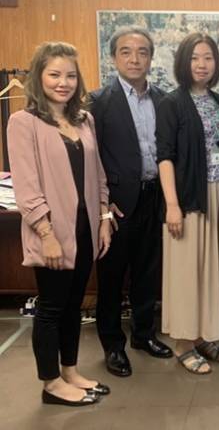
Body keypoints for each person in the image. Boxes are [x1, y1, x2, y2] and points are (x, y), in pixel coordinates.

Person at [7, 42, 112, 406]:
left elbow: (98, 175)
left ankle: (70, 370)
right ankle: (51, 384)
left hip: (85, 229)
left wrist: (104, 219)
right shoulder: (23, 123)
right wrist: (46, 234)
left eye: (70, 75)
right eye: (54, 74)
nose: (63, 83)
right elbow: (26, 187)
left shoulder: (85, 120)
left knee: (73, 305)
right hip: (52, 232)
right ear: (39, 77)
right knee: (51, 308)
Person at [89, 26, 172, 378]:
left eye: (142, 52)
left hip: (154, 198)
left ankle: (143, 334)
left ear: (151, 58)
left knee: (147, 273)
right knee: (111, 278)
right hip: (118, 204)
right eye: (126, 51)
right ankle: (112, 344)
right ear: (113, 58)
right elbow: (92, 159)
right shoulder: (97, 102)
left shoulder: (163, 100)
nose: (134, 59)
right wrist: (104, 204)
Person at [157, 32, 219, 375]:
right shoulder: (171, 103)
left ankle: (202, 335)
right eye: (194, 57)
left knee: (211, 270)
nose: (202, 64)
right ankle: (183, 343)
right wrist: (172, 205)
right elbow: (165, 157)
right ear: (183, 62)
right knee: (187, 272)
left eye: (208, 57)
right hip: (190, 197)